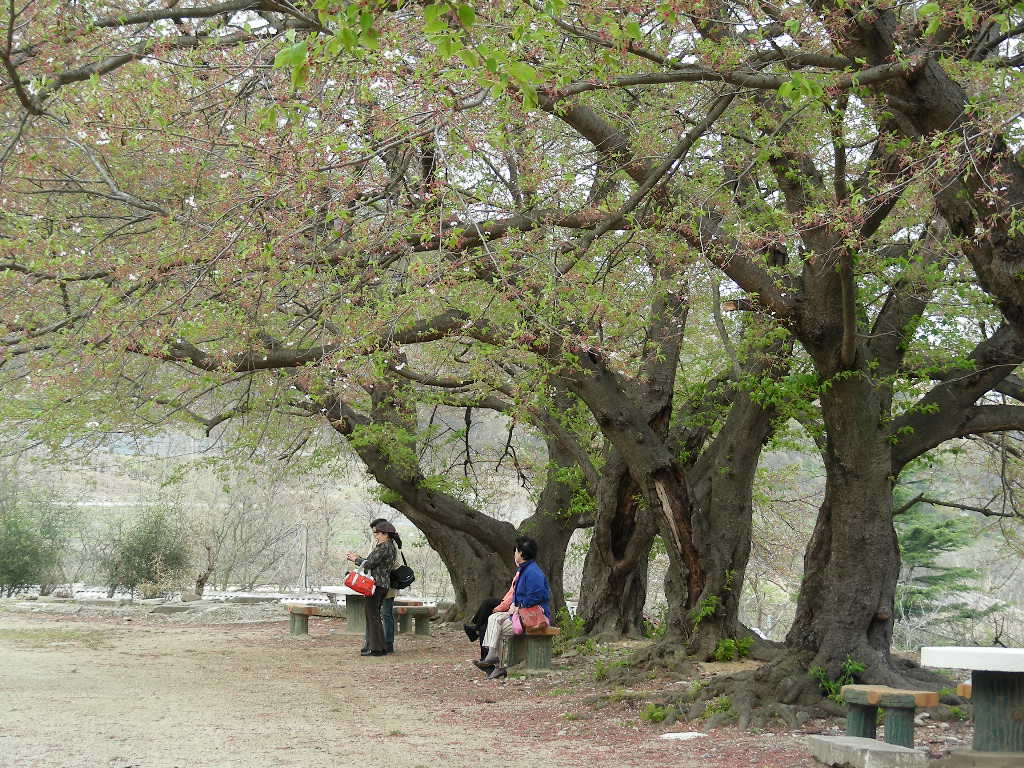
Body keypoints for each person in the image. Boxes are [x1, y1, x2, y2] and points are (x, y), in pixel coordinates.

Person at [472, 535, 550, 680]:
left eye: (516, 551)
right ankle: (493, 657)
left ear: (521, 553)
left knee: (499, 628)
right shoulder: (524, 570)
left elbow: (539, 596)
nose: (514, 554)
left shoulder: (533, 572)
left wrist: (519, 605)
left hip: (534, 616)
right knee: (494, 618)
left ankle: (497, 664)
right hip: (521, 613)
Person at [346, 520, 399, 657]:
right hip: (382, 585)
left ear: (385, 534)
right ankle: (377, 646)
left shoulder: (384, 546)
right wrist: (359, 559)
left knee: (373, 616)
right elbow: (373, 562)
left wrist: (355, 559)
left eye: (377, 533)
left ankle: (377, 649)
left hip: (376, 585)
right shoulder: (390, 546)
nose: (376, 535)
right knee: (374, 616)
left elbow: (369, 563)